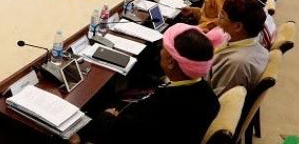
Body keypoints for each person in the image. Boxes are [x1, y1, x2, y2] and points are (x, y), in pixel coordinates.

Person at [74, 24, 222, 144]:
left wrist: (106, 117)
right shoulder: (209, 96)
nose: (160, 52)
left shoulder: (158, 108)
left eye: (163, 48)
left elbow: (118, 134)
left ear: (171, 61)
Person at [209, 0, 269, 96]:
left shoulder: (237, 62)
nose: (218, 18)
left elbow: (219, 97)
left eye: (222, 16)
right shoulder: (248, 41)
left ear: (237, 26)